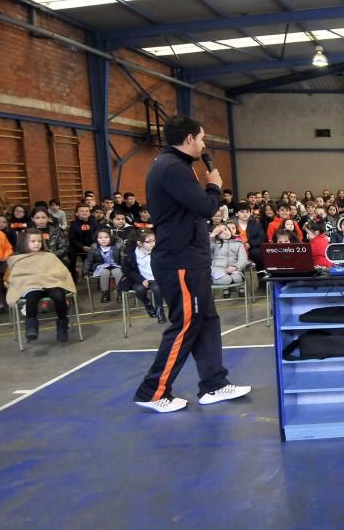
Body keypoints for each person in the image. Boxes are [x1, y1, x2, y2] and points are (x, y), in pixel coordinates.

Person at [132, 116, 250, 414]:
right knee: (185, 325)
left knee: (206, 320)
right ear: (188, 139)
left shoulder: (176, 166)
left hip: (190, 258)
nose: (203, 144)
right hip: (179, 260)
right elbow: (206, 207)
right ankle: (152, 390)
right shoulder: (172, 168)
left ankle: (213, 384)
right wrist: (214, 187)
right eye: (201, 138)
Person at [4, 228, 77, 342]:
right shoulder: (18, 259)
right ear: (24, 242)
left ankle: (62, 325)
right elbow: (17, 277)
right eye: (33, 241)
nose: (37, 244)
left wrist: (50, 278)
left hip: (51, 283)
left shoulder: (49, 256)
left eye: (39, 241)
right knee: (32, 297)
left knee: (59, 296)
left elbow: (61, 272)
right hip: (30, 285)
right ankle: (31, 326)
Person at [83, 228, 123, 303]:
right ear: (97, 239)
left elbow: (123, 258)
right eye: (100, 238)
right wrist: (85, 271)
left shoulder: (117, 246)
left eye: (106, 237)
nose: (103, 240)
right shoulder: (94, 247)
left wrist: (125, 268)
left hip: (115, 265)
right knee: (104, 273)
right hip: (101, 266)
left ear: (110, 238)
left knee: (117, 272)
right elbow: (89, 260)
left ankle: (120, 293)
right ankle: (105, 294)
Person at [210, 223, 248, 299]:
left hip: (233, 269)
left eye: (226, 229)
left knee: (237, 278)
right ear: (217, 235)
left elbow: (243, 259)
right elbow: (204, 247)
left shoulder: (239, 244)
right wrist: (212, 235)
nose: (225, 232)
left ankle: (230, 278)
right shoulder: (214, 244)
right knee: (227, 279)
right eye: (220, 232)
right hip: (218, 268)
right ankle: (212, 278)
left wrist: (236, 267)